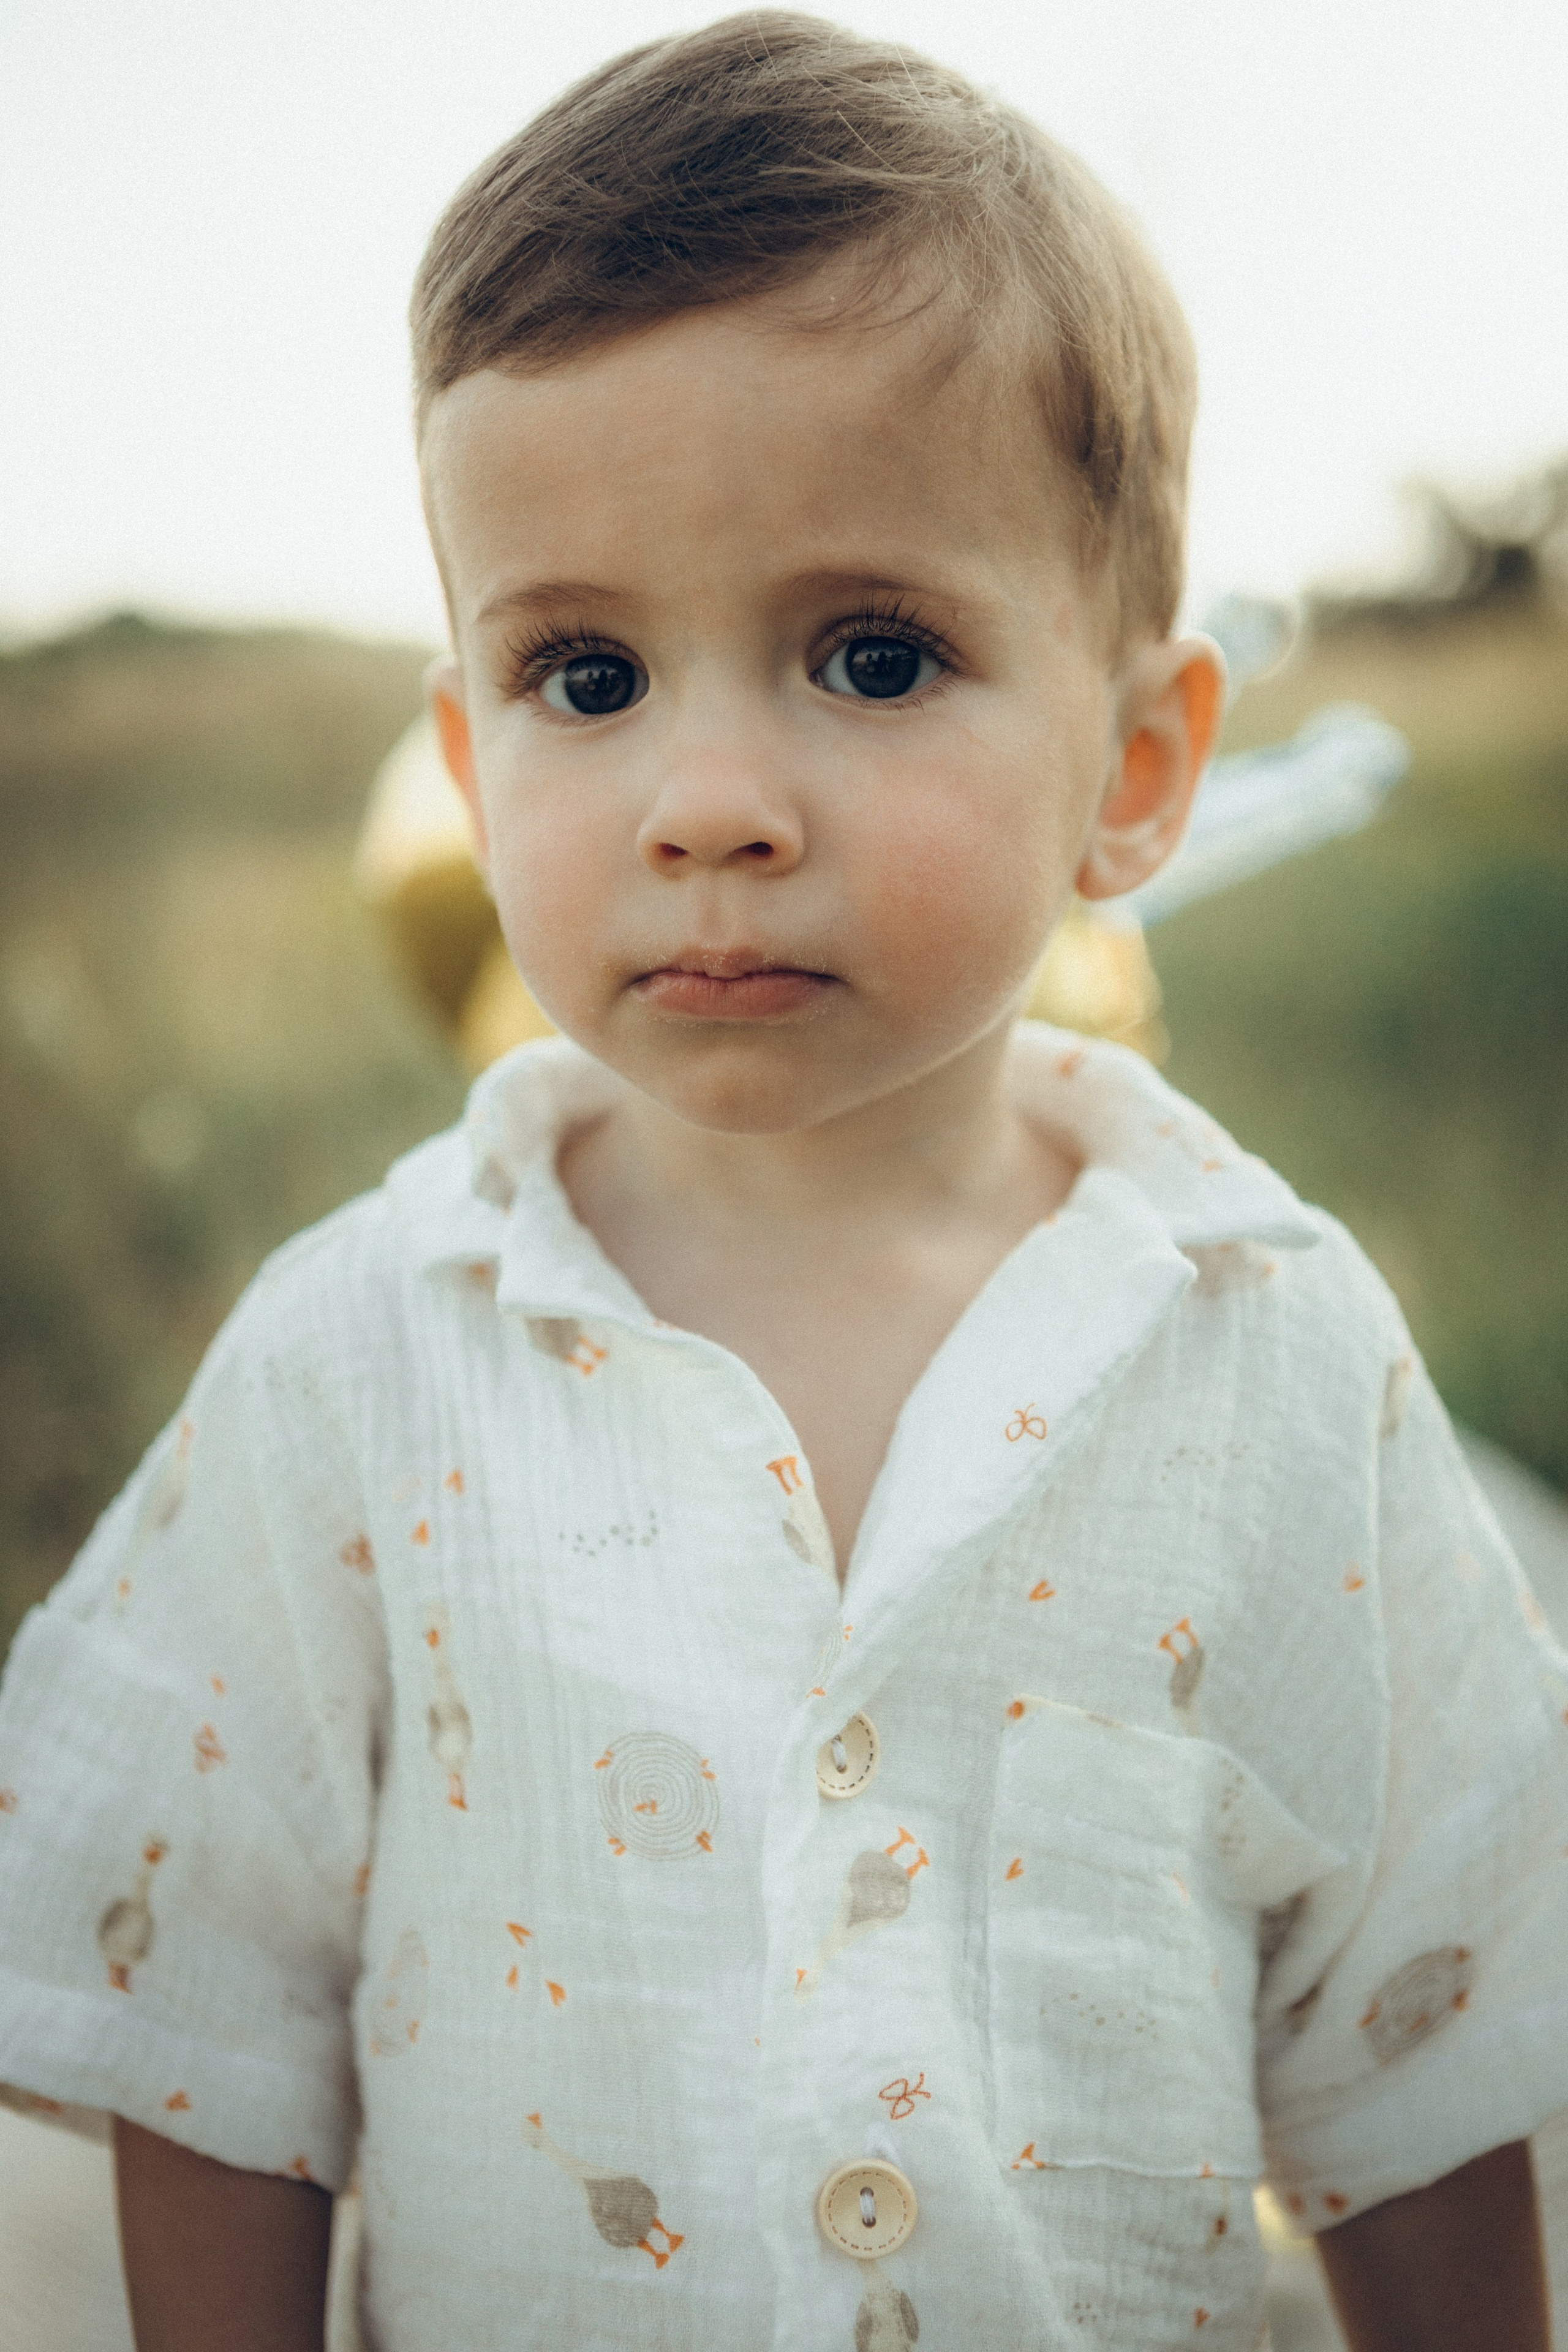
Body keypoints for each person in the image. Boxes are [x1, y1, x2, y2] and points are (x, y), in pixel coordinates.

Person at [0, 17, 1563, 2349]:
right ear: (465, 749)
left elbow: (1425, 2049)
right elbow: (217, 2022)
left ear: (1137, 768)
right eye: (588, 673)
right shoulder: (367, 1359)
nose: (706, 798)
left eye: (870, 650)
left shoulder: (1275, 1351)